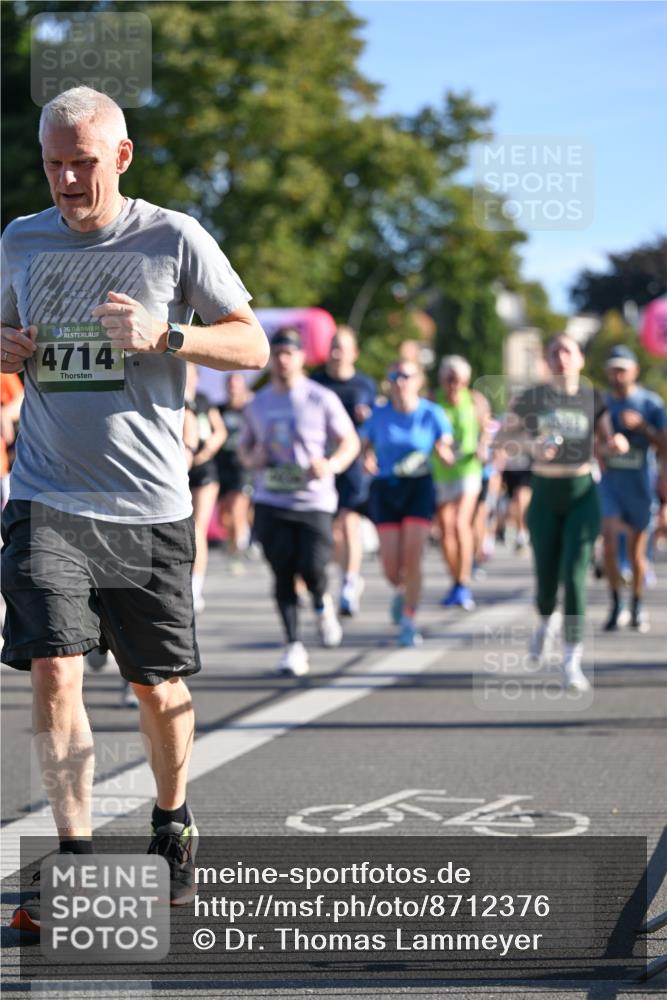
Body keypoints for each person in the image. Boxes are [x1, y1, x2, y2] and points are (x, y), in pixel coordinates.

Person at [1, 87, 269, 929]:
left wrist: (167, 336)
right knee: (55, 668)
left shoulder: (173, 236)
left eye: (82, 163)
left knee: (156, 687)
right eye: (53, 163)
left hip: (146, 502)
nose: (66, 180)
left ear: (120, 157)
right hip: (46, 495)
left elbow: (252, 343)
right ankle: (74, 855)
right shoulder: (19, 240)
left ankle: (172, 819)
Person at [498, 334, 629, 691]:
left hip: (581, 493)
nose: (561, 358)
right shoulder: (532, 398)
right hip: (544, 493)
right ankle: (546, 621)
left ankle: (571, 658)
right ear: (546, 360)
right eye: (554, 352)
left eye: (567, 351)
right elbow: (502, 438)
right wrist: (531, 444)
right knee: (545, 580)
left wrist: (616, 444)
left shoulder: (592, 398)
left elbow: (606, 441)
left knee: (574, 575)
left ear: (580, 359)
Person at [238, 328, 359, 676]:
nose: (282, 360)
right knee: (282, 573)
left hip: (313, 500)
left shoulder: (321, 398)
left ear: (302, 358)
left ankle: (322, 602)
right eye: (277, 353)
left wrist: (331, 464)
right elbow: (243, 449)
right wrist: (253, 458)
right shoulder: (257, 403)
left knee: (313, 567)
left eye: (289, 353)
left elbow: (349, 441)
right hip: (271, 499)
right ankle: (293, 645)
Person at [361, 358, 454, 646]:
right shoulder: (379, 414)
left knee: (412, 558)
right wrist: (366, 458)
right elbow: (363, 446)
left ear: (419, 381)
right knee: (391, 566)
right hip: (386, 488)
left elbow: (445, 443)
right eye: (395, 376)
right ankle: (402, 590)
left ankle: (409, 620)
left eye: (406, 376)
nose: (400, 382)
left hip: (419, 487)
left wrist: (445, 453)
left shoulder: (431, 413)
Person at [598, 346, 667, 632]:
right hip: (610, 485)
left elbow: (665, 444)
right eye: (613, 370)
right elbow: (592, 443)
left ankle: (637, 603)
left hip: (640, 485)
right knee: (609, 544)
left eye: (622, 370)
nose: (617, 375)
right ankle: (616, 604)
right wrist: (604, 448)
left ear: (634, 371)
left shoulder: (650, 404)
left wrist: (643, 428)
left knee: (637, 554)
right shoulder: (602, 404)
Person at [311, 326, 376, 616]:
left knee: (349, 522)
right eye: (333, 346)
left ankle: (349, 585)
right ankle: (345, 574)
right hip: (321, 462)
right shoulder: (316, 382)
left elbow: (374, 427)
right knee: (330, 530)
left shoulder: (365, 385)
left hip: (353, 463)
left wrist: (370, 451)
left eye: (343, 347)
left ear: (354, 353)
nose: (337, 353)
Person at [432, 355, 490, 610]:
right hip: (441, 471)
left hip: (469, 470)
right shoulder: (433, 401)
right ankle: (455, 580)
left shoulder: (476, 401)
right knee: (445, 530)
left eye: (458, 380)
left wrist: (483, 446)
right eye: (448, 380)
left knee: (459, 523)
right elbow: (426, 430)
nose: (453, 385)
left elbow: (487, 429)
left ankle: (464, 582)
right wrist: (438, 448)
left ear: (466, 381)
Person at [185, 363, 227, 611]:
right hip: (178, 470)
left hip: (203, 470)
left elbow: (219, 431)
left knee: (197, 527)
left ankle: (196, 586)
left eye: (191, 371)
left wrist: (208, 449)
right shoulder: (170, 396)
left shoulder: (202, 400)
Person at [217, 371, 254, 570]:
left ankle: (237, 551)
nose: (233, 387)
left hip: (243, 467)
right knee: (225, 516)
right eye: (230, 383)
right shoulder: (219, 409)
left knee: (236, 509)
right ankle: (242, 536)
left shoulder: (251, 409)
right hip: (223, 465)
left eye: (237, 383)